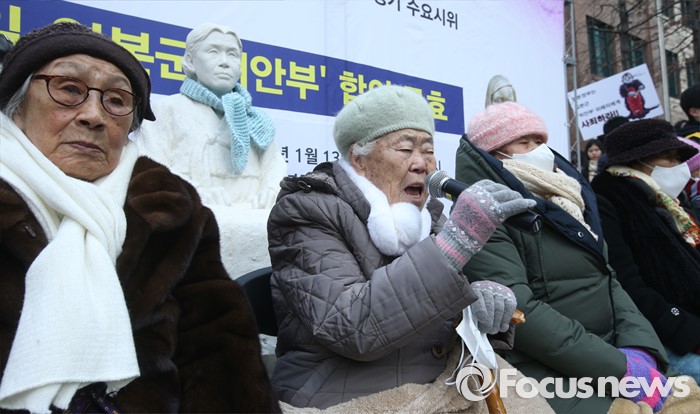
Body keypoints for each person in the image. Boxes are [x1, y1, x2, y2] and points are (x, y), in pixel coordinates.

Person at [0, 22, 279, 413]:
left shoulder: (170, 208)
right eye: (69, 90)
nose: (94, 116)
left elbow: (222, 355)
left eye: (116, 100)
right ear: (16, 107)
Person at [267, 85, 536, 410]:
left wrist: (476, 308)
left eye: (428, 150)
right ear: (359, 160)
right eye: (405, 149)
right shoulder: (305, 211)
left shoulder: (429, 217)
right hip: (341, 392)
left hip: (434, 383)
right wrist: (453, 246)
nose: (422, 164)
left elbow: (431, 309)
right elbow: (351, 327)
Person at [456, 102, 669, 413]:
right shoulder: (482, 212)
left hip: (604, 357)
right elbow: (520, 311)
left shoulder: (567, 198)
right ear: (493, 153)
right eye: (524, 142)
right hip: (542, 372)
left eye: (540, 141)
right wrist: (618, 369)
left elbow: (608, 277)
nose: (539, 151)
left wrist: (639, 349)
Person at [136, 23, 286, 278]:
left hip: (256, 217)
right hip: (196, 220)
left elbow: (274, 163)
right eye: (213, 51)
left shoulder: (256, 119)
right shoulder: (166, 110)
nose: (224, 62)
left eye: (232, 54)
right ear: (190, 61)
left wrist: (272, 189)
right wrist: (191, 193)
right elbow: (150, 167)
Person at [591, 119, 700, 385]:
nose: (679, 167)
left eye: (679, 159)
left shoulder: (667, 203)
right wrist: (688, 330)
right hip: (663, 335)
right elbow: (628, 283)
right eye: (669, 158)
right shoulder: (609, 200)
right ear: (638, 160)